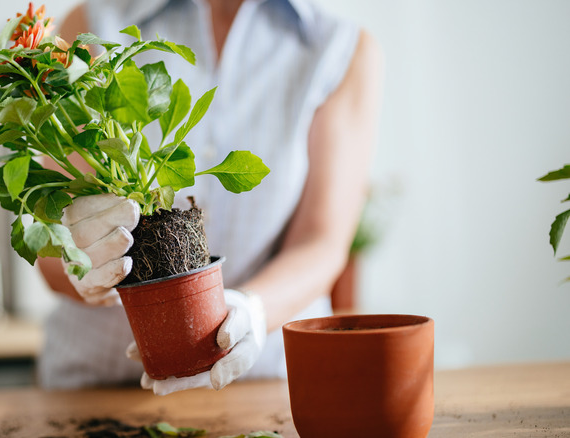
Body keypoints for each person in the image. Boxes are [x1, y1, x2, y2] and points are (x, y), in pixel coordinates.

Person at [37, 0, 383, 394]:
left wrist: (251, 311)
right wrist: (81, 266)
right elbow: (52, 235)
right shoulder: (92, 24)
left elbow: (321, 242)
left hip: (259, 386)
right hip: (99, 386)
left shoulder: (338, 48)